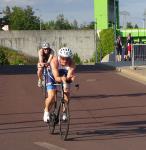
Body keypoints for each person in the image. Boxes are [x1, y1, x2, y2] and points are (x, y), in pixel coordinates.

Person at [43, 47, 76, 122]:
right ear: (59, 56)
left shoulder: (72, 63)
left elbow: (69, 76)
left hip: (63, 75)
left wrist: (70, 79)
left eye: (67, 58)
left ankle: (64, 113)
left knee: (66, 95)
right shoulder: (54, 61)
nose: (65, 60)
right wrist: (64, 79)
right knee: (51, 96)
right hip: (52, 76)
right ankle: (46, 111)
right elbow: (57, 78)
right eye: (63, 58)